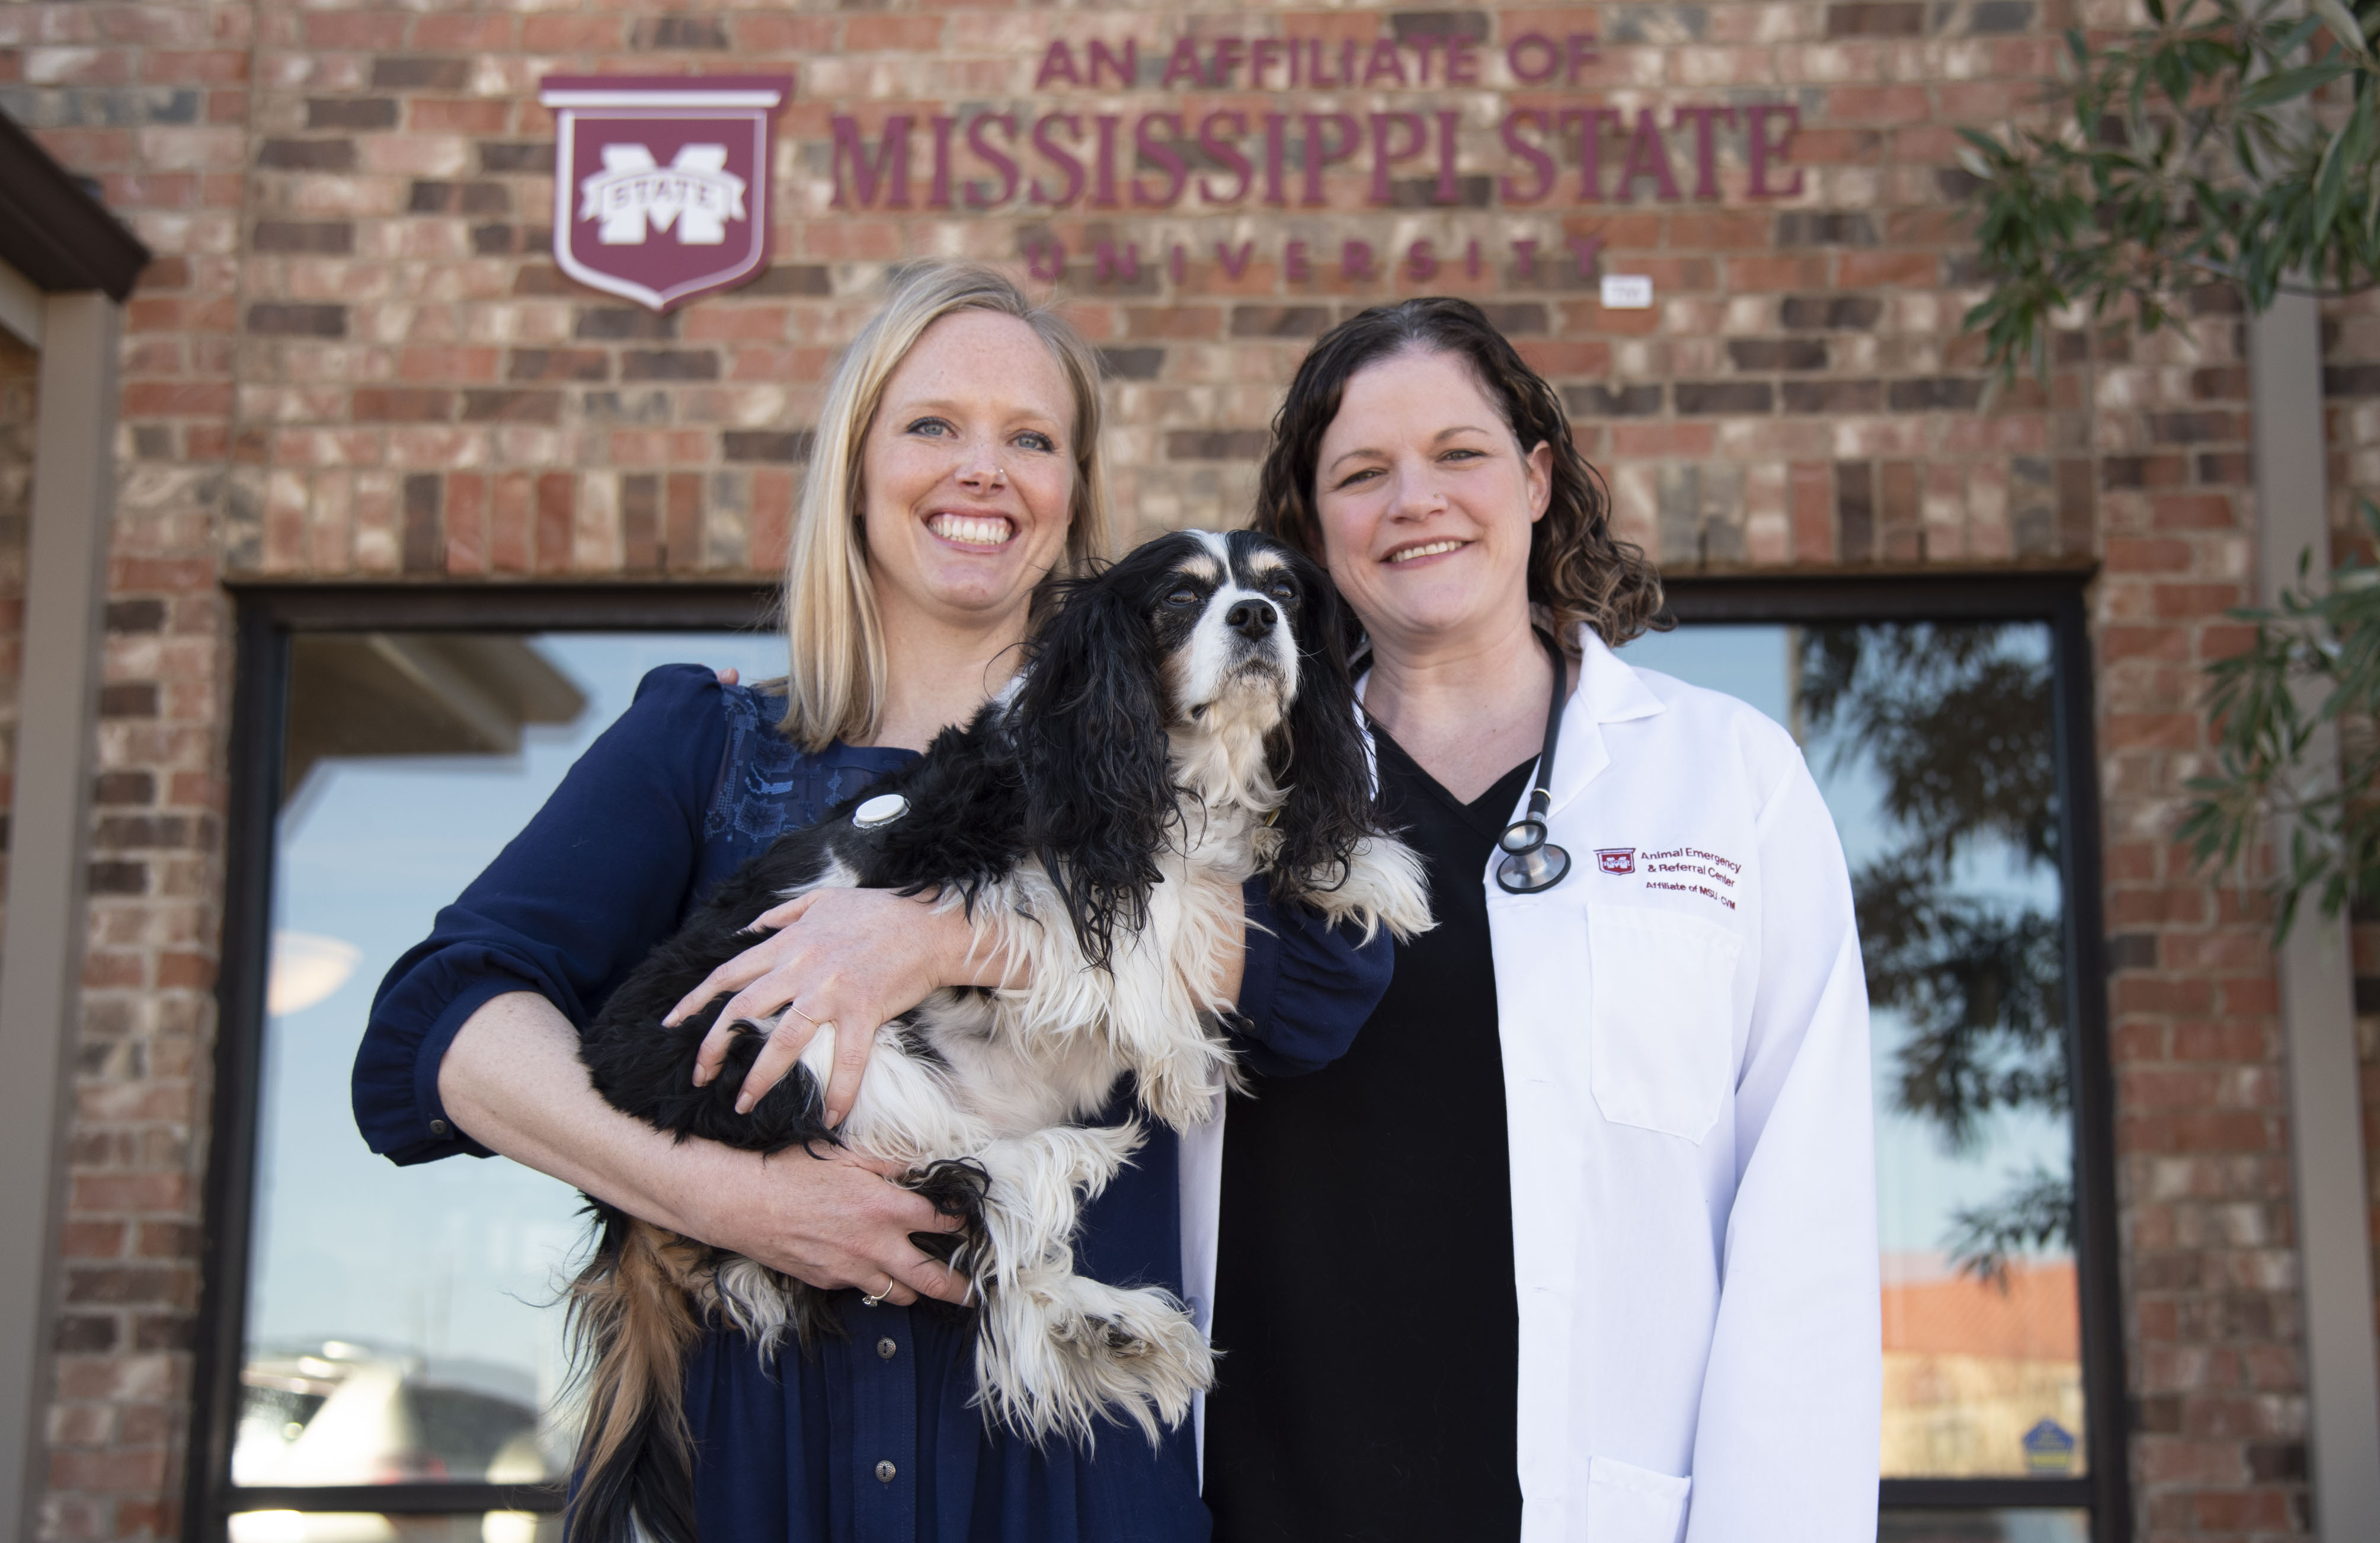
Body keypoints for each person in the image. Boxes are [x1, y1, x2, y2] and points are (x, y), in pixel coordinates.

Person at [352, 261, 1392, 1542]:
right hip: (762, 1468)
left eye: (1031, 438)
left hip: (1063, 1483)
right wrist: (726, 1199)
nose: (984, 469)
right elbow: (438, 1033)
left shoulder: (1182, 774)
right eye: (932, 426)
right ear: (857, 466)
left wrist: (940, 937)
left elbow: (1321, 982)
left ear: (1073, 494)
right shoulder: (712, 746)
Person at [1204, 299, 1882, 1543]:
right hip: (1259, 1507)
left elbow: (1805, 1232)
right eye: (1362, 472)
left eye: (1458, 454)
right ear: (1311, 527)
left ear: (1533, 478)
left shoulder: (1726, 779)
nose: (1415, 499)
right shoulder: (1224, 795)